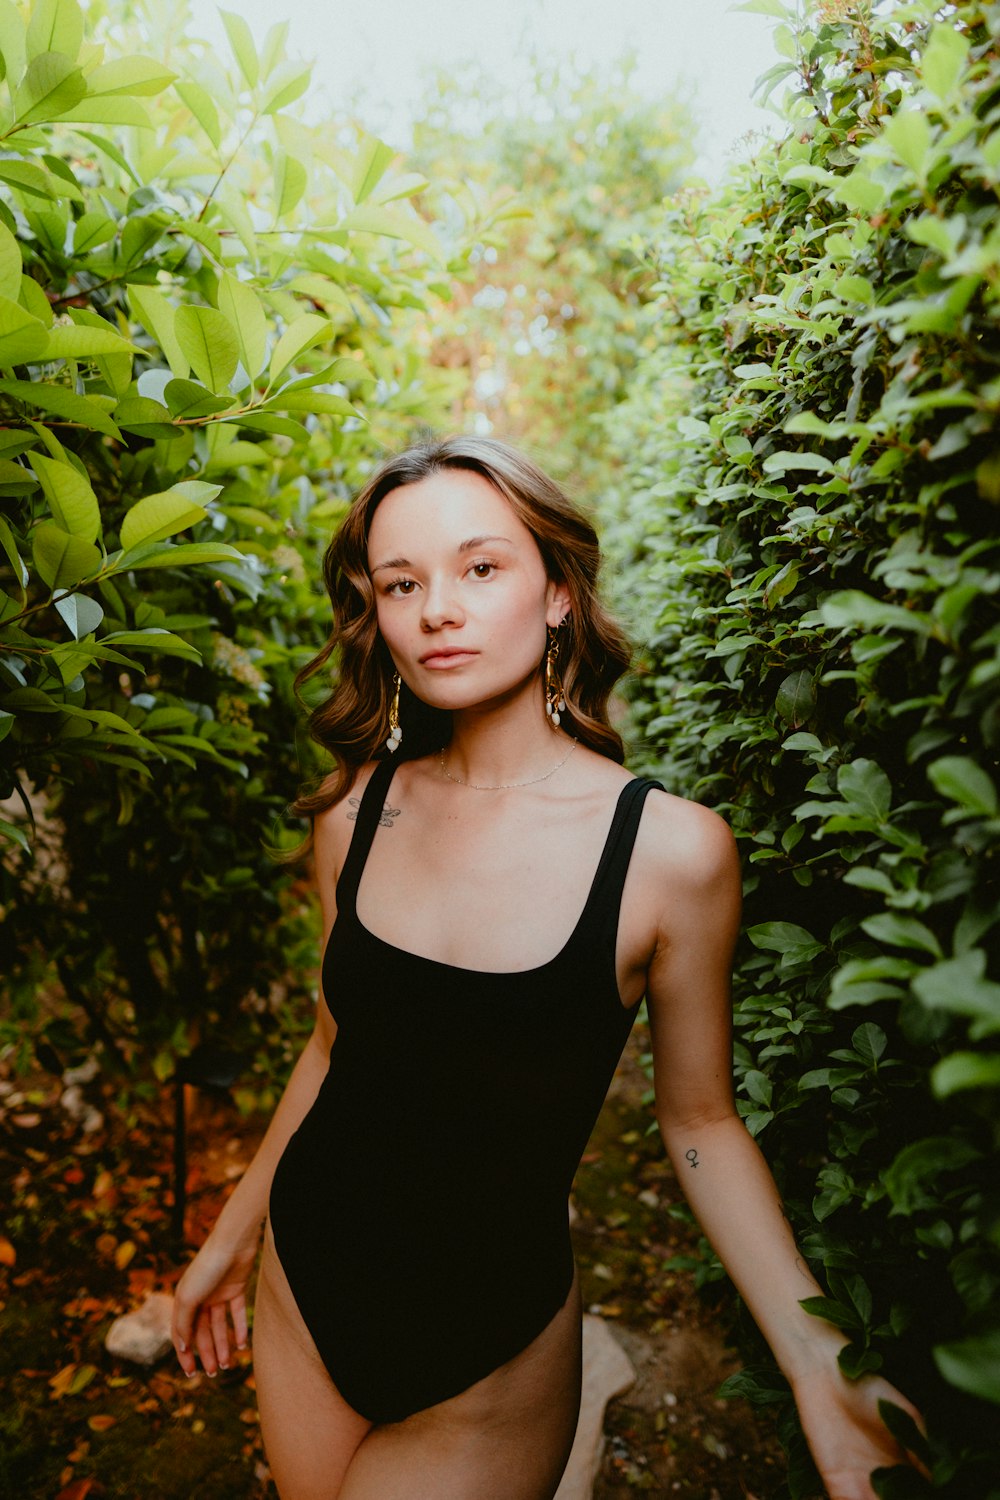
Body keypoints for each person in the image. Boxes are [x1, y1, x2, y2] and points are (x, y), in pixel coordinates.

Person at [171, 436, 924, 1500]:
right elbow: (336, 1049)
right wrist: (226, 1245)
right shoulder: (355, 816)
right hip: (305, 1287)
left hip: (486, 1354)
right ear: (376, 613)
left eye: (480, 567)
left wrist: (813, 1356)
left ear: (558, 592)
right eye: (402, 582)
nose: (438, 608)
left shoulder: (670, 854)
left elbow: (700, 1120)